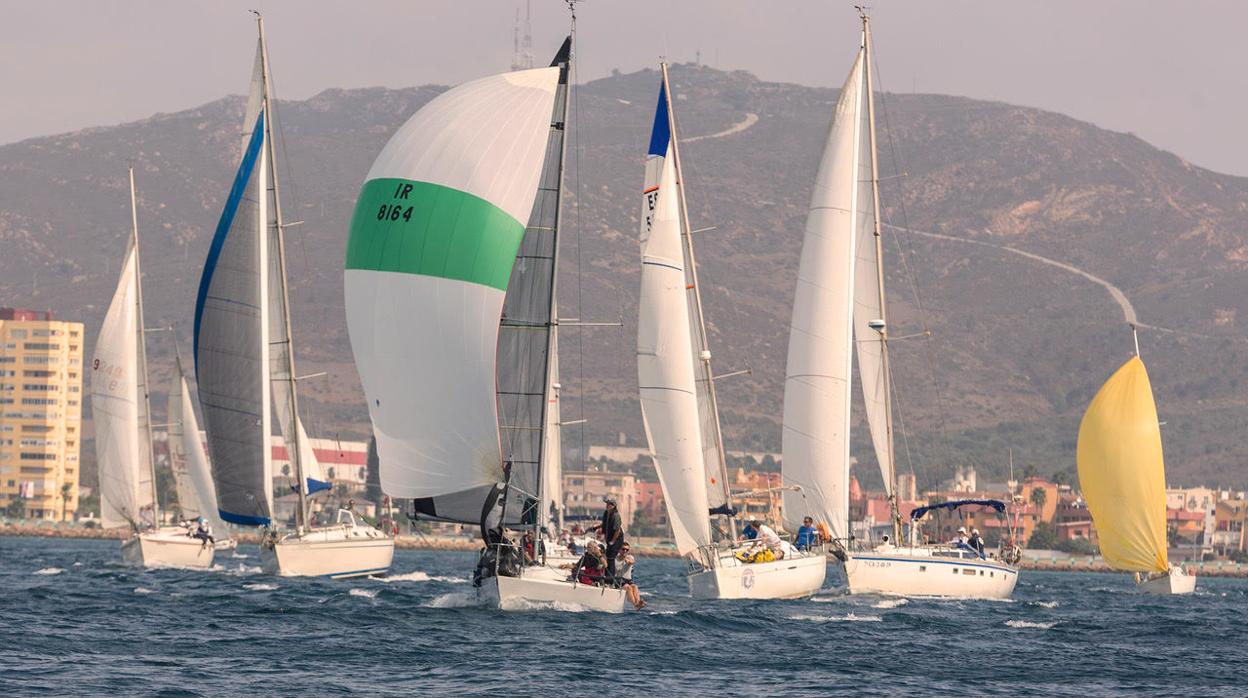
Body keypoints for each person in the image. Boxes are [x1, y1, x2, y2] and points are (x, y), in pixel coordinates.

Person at [594, 497, 625, 577]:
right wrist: (596, 527)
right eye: (607, 503)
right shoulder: (607, 513)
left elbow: (617, 530)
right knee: (607, 557)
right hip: (610, 539)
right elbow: (604, 524)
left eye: (609, 504)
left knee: (611, 558)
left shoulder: (616, 516)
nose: (607, 505)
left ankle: (610, 578)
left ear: (613, 506)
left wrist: (613, 541)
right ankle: (607, 576)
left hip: (617, 539)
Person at [615, 543, 646, 610]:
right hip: (619, 581)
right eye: (623, 549)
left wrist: (626, 559)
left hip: (627, 580)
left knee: (635, 586)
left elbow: (631, 562)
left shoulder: (630, 557)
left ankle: (638, 603)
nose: (625, 551)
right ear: (619, 550)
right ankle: (636, 605)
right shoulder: (615, 559)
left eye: (627, 550)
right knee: (628, 587)